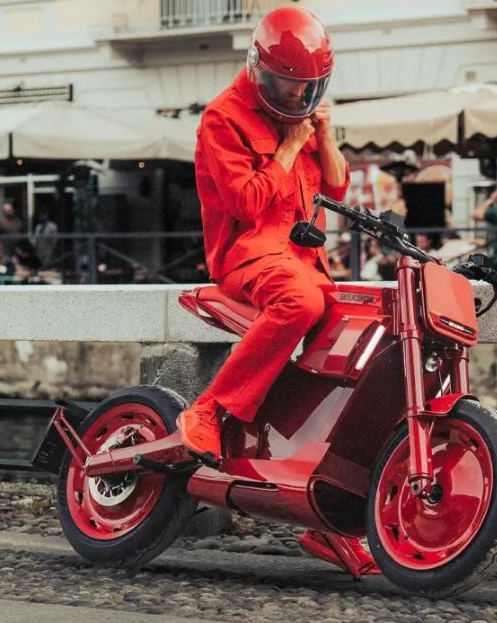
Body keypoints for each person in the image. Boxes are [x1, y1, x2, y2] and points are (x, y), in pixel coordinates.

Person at [178, 6, 348, 459]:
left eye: (308, 87)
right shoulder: (223, 118)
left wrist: (326, 137)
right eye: (288, 83)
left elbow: (336, 186)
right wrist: (290, 147)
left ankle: (311, 467)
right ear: (259, 69)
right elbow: (246, 203)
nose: (297, 95)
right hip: (249, 257)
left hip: (305, 261)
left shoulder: (304, 110)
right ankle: (210, 409)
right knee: (301, 303)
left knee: (354, 329)